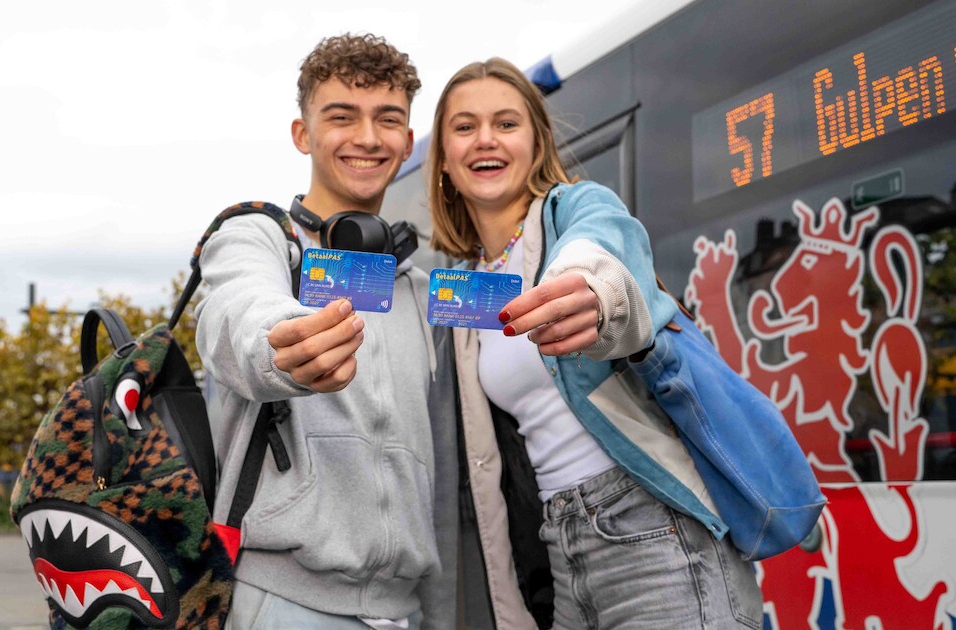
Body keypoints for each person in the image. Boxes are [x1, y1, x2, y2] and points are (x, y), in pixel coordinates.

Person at [427, 57, 763, 629]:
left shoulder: (576, 208)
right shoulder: (463, 285)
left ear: (537, 142)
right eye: (464, 127)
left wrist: (592, 290)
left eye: (506, 123)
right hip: (557, 550)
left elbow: (604, 246)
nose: (486, 138)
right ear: (444, 162)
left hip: (651, 528)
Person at [195, 34, 456, 630]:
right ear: (302, 134)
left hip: (406, 611)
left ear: (407, 141)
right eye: (341, 117)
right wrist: (283, 345)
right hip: (282, 606)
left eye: (387, 119)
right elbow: (235, 312)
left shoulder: (426, 287)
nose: (367, 138)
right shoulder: (257, 238)